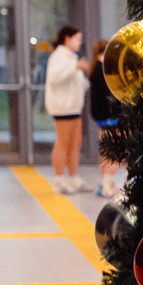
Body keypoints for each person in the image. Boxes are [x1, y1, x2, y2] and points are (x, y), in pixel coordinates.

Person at [43, 26, 89, 193]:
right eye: (77, 39)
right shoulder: (59, 56)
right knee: (63, 143)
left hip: (74, 107)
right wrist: (75, 67)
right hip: (63, 108)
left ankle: (73, 176)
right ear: (67, 39)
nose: (79, 43)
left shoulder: (72, 57)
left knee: (75, 144)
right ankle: (59, 179)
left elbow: (77, 81)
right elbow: (55, 77)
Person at [87, 38, 125, 199]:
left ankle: (107, 183)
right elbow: (110, 95)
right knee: (114, 150)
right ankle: (106, 184)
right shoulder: (103, 70)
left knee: (106, 149)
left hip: (100, 116)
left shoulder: (95, 67)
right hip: (109, 116)